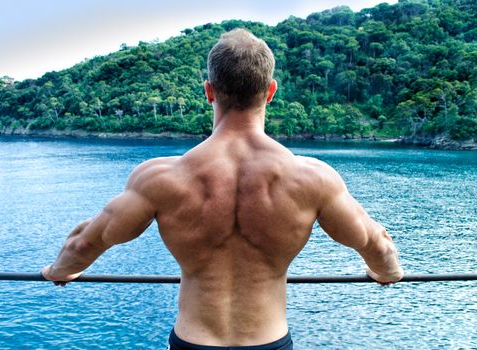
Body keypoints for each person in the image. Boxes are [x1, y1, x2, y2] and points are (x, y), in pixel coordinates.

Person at [42, 28, 403, 349]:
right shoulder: (312, 178)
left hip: (193, 343)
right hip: (268, 343)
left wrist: (61, 271)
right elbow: (376, 244)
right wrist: (384, 273)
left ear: (209, 91)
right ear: (271, 91)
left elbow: (85, 243)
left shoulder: (160, 178)